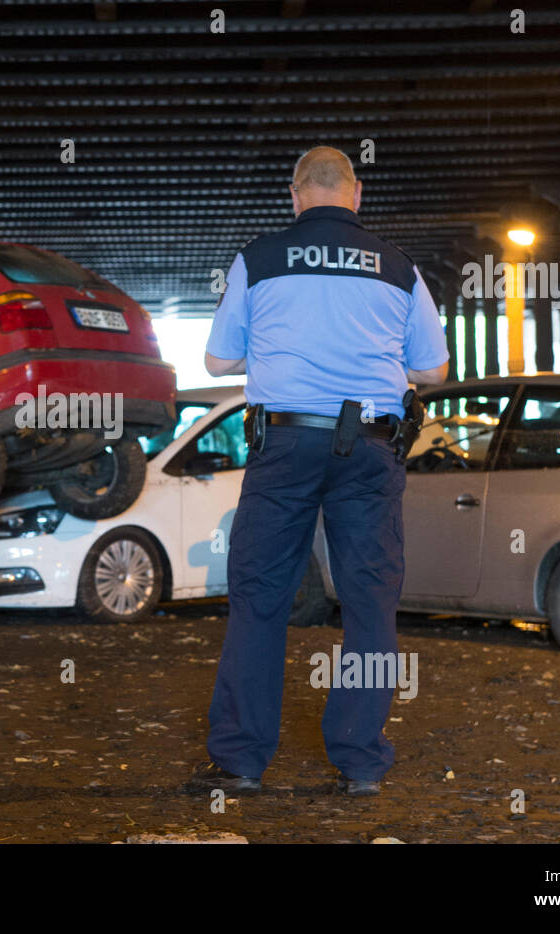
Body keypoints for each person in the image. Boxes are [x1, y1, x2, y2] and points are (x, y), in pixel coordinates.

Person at [186, 146, 449, 798]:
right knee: (368, 607)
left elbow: (218, 362)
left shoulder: (261, 258)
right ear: (355, 195)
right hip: (370, 447)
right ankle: (361, 763)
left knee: (260, 601)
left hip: (285, 445)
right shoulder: (398, 268)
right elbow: (434, 370)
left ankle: (243, 761)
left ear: (295, 195)